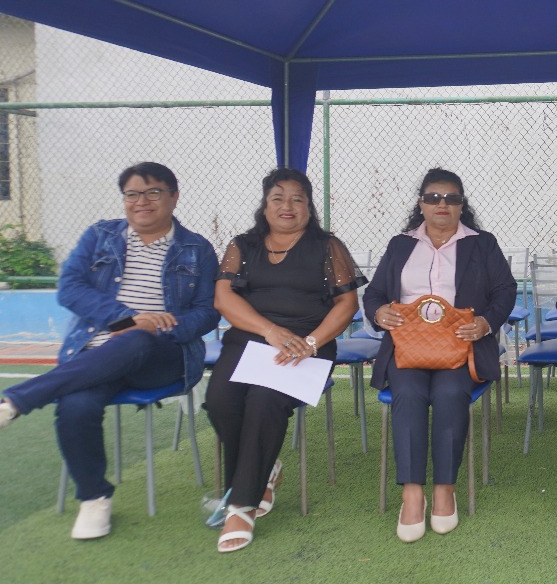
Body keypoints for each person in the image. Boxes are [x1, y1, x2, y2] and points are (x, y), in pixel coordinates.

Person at [0, 162, 218, 540]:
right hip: (97, 353)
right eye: (132, 194)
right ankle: (94, 498)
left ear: (174, 197)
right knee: (77, 405)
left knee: (137, 341)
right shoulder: (100, 236)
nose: (141, 201)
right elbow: (70, 287)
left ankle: (18, 399)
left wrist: (158, 327)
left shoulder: (197, 249)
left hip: (165, 355)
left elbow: (207, 312)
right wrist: (126, 320)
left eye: (153, 192)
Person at [204, 168, 365, 553]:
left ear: (309, 207)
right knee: (220, 402)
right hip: (250, 340)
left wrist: (311, 342)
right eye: (278, 198)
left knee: (264, 401)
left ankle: (241, 505)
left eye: (297, 199)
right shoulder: (243, 245)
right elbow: (223, 299)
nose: (287, 206)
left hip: (309, 343)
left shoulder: (327, 247)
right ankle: (265, 468)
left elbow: (347, 303)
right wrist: (270, 331)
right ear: (265, 205)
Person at [364, 168, 515, 543]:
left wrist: (485, 323)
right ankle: (412, 494)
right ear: (421, 204)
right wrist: (380, 313)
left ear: (462, 205)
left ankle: (445, 488)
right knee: (409, 393)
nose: (442, 204)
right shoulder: (401, 245)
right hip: (408, 347)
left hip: (461, 346)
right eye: (433, 198)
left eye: (451, 198)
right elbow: (374, 293)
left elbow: (505, 291)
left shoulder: (482, 244)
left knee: (449, 393)